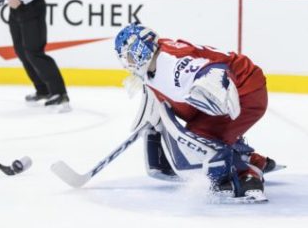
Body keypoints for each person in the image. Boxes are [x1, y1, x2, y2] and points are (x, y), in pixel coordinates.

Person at [114, 24, 277, 202]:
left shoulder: (172, 64)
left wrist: (214, 80)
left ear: (141, 50)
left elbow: (215, 69)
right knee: (196, 129)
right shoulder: (156, 59)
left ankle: (248, 175)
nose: (127, 63)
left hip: (246, 90)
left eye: (129, 56)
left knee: (201, 142)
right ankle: (247, 156)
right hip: (242, 81)